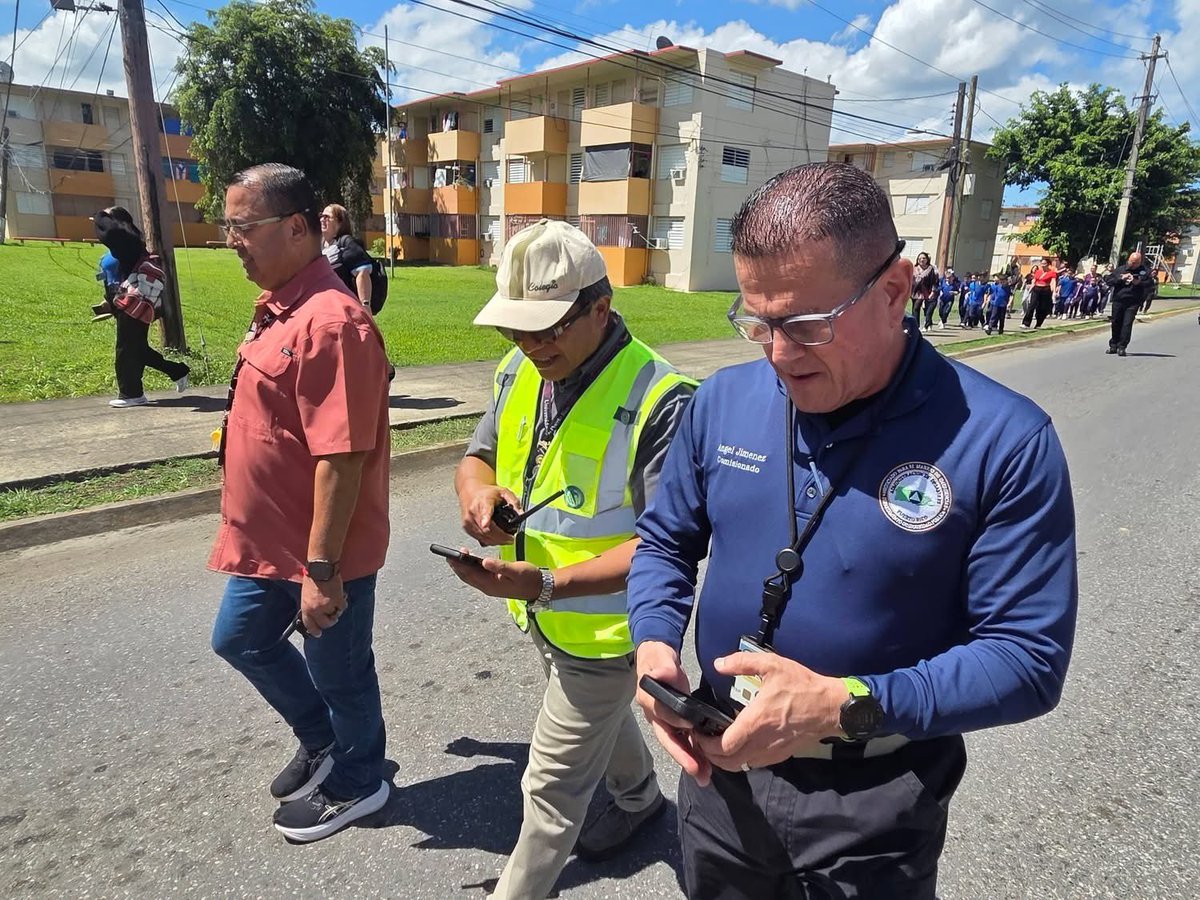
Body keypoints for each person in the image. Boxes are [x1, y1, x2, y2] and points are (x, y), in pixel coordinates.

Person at [627, 163, 1078, 899]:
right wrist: (653, 645)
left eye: (806, 326)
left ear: (895, 290)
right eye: (757, 322)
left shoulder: (1006, 440)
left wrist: (841, 705)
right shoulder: (719, 403)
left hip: (872, 801)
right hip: (719, 778)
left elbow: (1027, 659)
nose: (777, 355)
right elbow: (667, 542)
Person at [445, 219, 696, 899]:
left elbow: (667, 544)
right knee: (595, 720)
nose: (530, 346)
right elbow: (478, 455)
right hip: (543, 611)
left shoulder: (660, 399)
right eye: (516, 331)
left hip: (612, 630)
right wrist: (479, 497)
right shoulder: (520, 368)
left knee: (549, 785)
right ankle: (640, 800)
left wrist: (549, 581)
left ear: (601, 308)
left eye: (548, 328)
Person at [208, 164, 392, 843]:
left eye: (241, 225)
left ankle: (360, 778)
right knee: (240, 638)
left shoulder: (332, 322)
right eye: (228, 224)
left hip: (323, 551)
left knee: (339, 670)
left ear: (295, 227)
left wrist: (321, 572)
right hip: (272, 542)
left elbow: (341, 458)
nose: (231, 239)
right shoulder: (284, 304)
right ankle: (325, 743)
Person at [92, 206, 190, 408]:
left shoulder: (129, 241)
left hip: (135, 303)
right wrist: (108, 303)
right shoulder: (123, 244)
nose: (102, 224)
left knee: (126, 350)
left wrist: (100, 215)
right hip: (122, 303)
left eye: (108, 218)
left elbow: (110, 231)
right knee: (137, 349)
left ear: (119, 222)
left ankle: (131, 394)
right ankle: (177, 371)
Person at [320, 204, 374, 309]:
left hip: (345, 307)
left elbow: (362, 272)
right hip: (327, 305)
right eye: (321, 216)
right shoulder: (320, 245)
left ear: (340, 223)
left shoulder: (347, 243)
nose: (322, 219)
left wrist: (365, 306)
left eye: (327, 217)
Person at [1104, 250, 1155, 356]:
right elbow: (1109, 281)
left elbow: (1150, 284)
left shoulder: (1145, 271)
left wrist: (1138, 282)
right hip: (1119, 300)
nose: (1132, 264)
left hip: (1133, 302)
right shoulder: (1121, 269)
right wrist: (1120, 278)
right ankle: (1113, 345)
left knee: (1126, 324)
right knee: (1116, 323)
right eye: (1131, 262)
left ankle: (1122, 347)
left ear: (1139, 262)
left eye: (1135, 262)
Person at [1022, 258, 1056, 329]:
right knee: (1031, 305)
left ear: (1048, 264)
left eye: (1045, 264)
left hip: (1045, 290)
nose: (1043, 265)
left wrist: (1054, 291)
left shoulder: (1052, 273)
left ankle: (1038, 324)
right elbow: (1034, 280)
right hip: (1036, 289)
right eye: (1042, 264)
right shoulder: (1038, 272)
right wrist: (1031, 288)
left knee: (1042, 308)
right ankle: (1026, 323)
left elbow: (1053, 282)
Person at [910, 252, 938, 330]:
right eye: (920, 258)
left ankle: (916, 326)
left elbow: (933, 281)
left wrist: (933, 291)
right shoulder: (914, 268)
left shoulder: (930, 269)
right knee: (914, 308)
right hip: (914, 291)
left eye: (923, 258)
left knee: (916, 307)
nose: (921, 260)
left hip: (923, 291)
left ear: (927, 259)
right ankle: (914, 325)